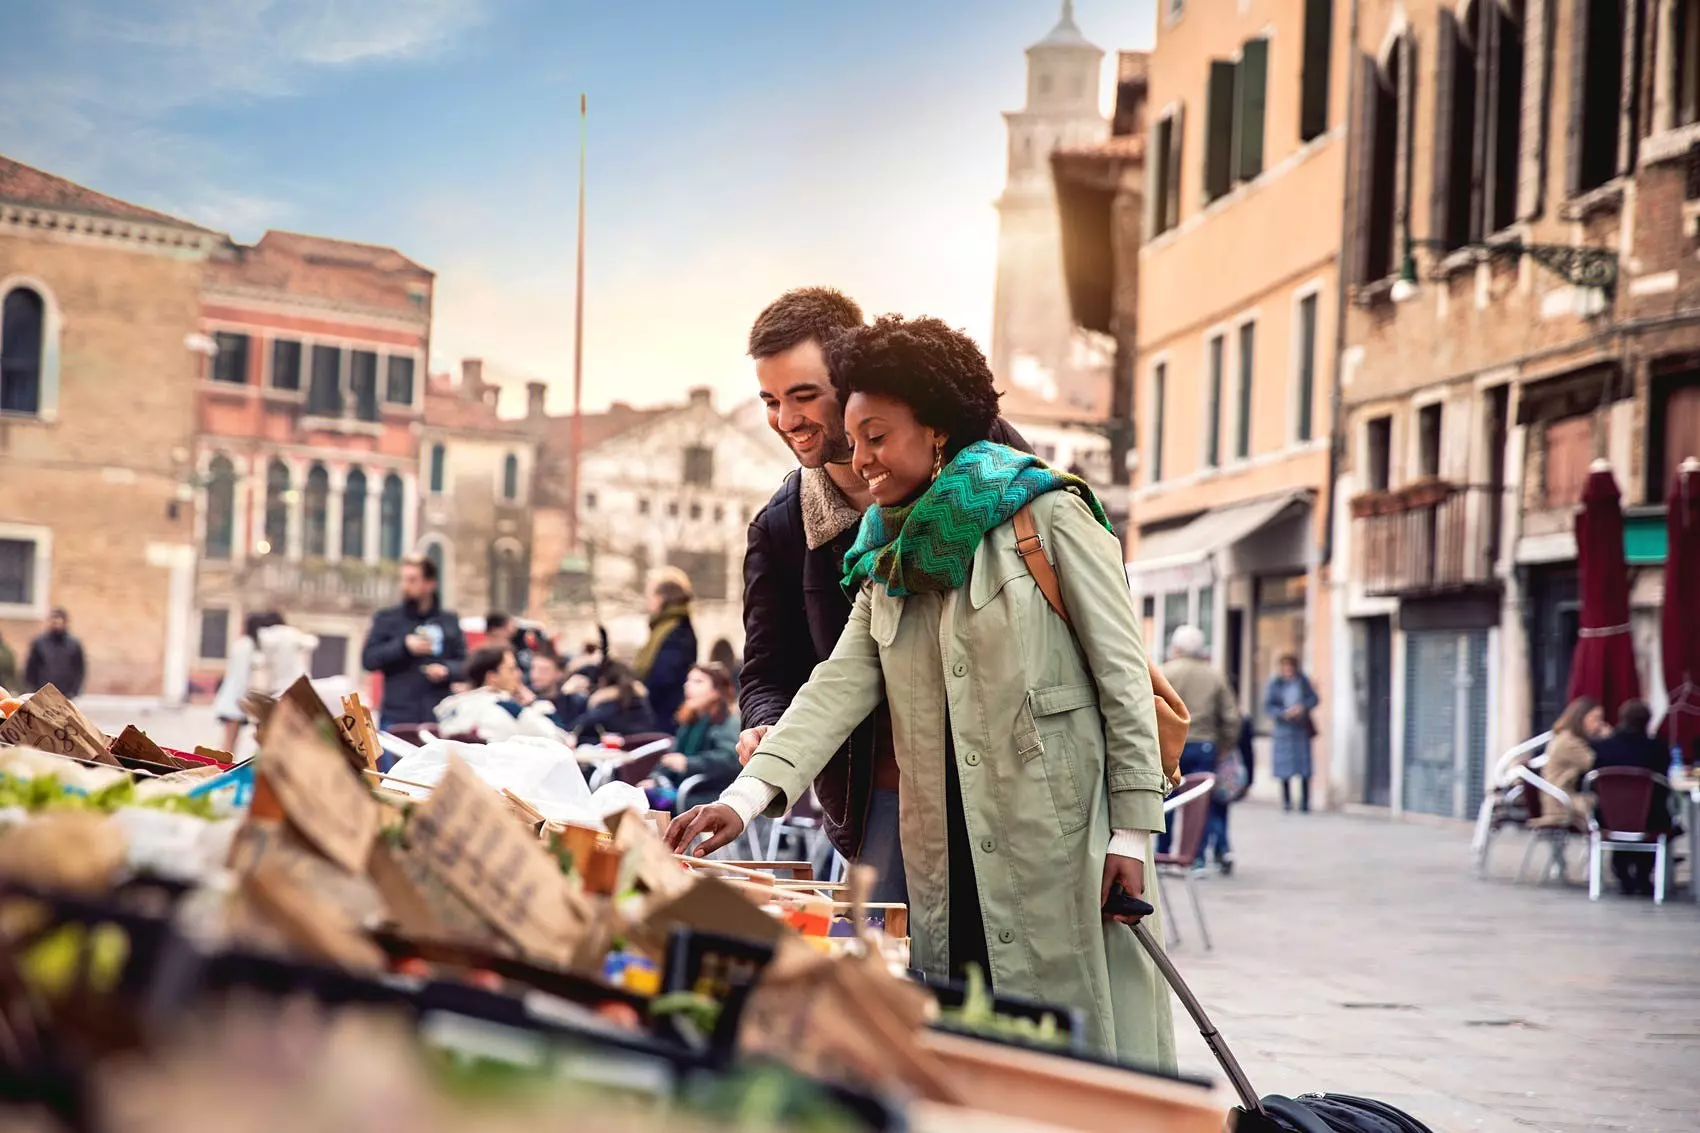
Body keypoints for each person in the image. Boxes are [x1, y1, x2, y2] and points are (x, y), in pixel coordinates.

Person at [669, 314, 1175, 1069]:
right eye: (855, 436)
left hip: (1062, 841)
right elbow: (832, 687)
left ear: (934, 431)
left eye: (877, 436)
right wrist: (740, 801)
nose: (861, 457)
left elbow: (1124, 680)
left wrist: (1132, 831)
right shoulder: (885, 560)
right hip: (943, 845)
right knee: (965, 1039)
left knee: (1076, 1045)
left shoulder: (1050, 513)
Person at [737, 287, 1032, 905]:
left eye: (803, 395)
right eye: (770, 401)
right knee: (886, 961)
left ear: (850, 377)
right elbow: (773, 667)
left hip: (1017, 770)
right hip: (885, 788)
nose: (786, 421)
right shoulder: (783, 526)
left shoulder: (986, 455)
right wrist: (764, 726)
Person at [1159, 625, 1242, 874]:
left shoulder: (1165, 672)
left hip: (1172, 745)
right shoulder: (1214, 675)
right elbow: (1232, 717)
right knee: (1198, 804)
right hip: (1206, 745)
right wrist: (1225, 746)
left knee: (1167, 799)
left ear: (1176, 647)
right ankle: (1196, 858)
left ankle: (1163, 854)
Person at [361, 555, 467, 732]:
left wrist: (446, 670)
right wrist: (404, 646)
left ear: (429, 583)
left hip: (438, 717)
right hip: (398, 717)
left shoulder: (448, 621)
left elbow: (465, 665)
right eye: (404, 579)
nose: (405, 586)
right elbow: (368, 659)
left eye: (412, 580)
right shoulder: (387, 619)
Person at [1589, 699, 1675, 897]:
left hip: (1609, 817)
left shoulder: (1602, 747)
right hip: (1650, 818)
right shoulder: (1658, 749)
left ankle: (1623, 874)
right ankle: (1644, 875)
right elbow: (1664, 782)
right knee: (1652, 812)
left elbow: (1592, 781)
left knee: (1623, 813)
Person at [211, 612, 320, 752]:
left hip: (232, 698)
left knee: (230, 741)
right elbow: (246, 675)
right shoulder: (251, 646)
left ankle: (225, 765)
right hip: (236, 699)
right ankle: (226, 766)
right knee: (232, 742)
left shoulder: (242, 644)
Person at [641, 663, 742, 811]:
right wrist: (655, 779)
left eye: (698, 681)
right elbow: (670, 758)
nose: (687, 686)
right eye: (688, 681)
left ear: (716, 691)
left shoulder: (728, 722)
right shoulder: (691, 721)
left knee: (651, 803)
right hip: (684, 789)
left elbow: (730, 759)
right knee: (637, 796)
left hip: (708, 794)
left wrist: (688, 763)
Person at [434, 645, 566, 743]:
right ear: (492, 677)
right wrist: (534, 704)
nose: (519, 674)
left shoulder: (448, 706)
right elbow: (559, 741)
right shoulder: (508, 708)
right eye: (511, 669)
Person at [633, 567, 697, 733]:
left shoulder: (677, 631)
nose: (647, 601)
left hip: (665, 717)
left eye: (650, 596)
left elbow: (664, 677)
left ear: (662, 598)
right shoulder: (666, 627)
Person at [1528, 697, 1604, 830]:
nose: (1599, 724)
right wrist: (1607, 738)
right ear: (1581, 718)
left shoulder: (1564, 737)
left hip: (1561, 798)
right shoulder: (1569, 743)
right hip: (1562, 803)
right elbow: (1597, 764)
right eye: (1595, 718)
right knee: (1609, 804)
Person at [1265, 654, 1320, 812]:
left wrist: (1302, 707)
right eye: (1285, 668)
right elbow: (1268, 706)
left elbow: (1314, 699)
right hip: (1283, 730)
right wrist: (1283, 713)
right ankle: (1287, 801)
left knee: (1304, 767)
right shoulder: (1274, 684)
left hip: (1300, 730)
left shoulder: (1303, 682)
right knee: (1284, 768)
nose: (1288, 671)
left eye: (1290, 668)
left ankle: (1305, 803)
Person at [566, 661, 657, 743]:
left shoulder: (606, 706)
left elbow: (574, 728)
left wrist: (565, 692)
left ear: (602, 681)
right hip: (646, 753)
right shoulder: (642, 703)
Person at [24, 609, 86, 697]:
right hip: (43, 691)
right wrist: (34, 688)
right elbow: (31, 667)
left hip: (65, 692)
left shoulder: (74, 644)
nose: (56, 625)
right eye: (54, 622)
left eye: (58, 622)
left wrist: (74, 690)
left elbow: (79, 669)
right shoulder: (40, 642)